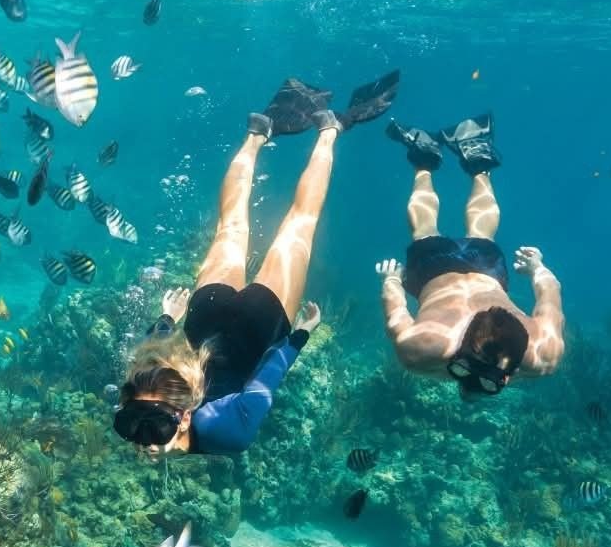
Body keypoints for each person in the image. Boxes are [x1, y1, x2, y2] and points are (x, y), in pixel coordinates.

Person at [113, 70, 400, 454]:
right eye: (135, 427)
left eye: (141, 426)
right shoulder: (143, 387)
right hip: (207, 313)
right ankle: (257, 133)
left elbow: (269, 376)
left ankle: (329, 130)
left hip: (261, 323)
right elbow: (146, 360)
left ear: (185, 417)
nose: (144, 442)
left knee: (300, 224)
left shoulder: (229, 435)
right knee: (230, 226)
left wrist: (300, 335)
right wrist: (167, 319)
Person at [378, 113, 564, 395]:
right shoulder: (419, 349)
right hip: (433, 272)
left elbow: (550, 295)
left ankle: (473, 162)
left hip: (485, 268)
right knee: (424, 230)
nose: (474, 381)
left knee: (480, 233)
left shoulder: (545, 353)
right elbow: (396, 317)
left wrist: (538, 268)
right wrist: (391, 280)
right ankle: (425, 162)